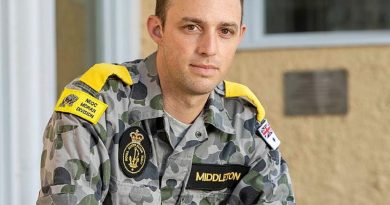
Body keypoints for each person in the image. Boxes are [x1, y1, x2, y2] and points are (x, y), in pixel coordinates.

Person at [37, 0, 295, 204]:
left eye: (225, 31)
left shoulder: (245, 124)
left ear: (239, 36)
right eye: (192, 27)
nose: (209, 48)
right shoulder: (97, 109)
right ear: (157, 30)